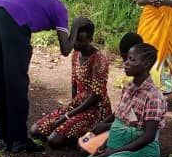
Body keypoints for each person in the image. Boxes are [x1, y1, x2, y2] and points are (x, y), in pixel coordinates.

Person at [0, 0, 86, 153]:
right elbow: (66, 49)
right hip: (15, 18)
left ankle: (4, 137)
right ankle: (18, 140)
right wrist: (75, 26)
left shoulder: (46, 1)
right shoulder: (61, 10)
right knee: (16, 80)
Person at [69, 43, 167, 157]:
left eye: (132, 60)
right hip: (115, 144)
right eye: (127, 58)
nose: (126, 63)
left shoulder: (154, 97)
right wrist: (104, 128)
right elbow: (121, 113)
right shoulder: (129, 87)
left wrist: (113, 152)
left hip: (138, 151)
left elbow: (148, 136)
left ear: (146, 64)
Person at [30, 21, 112, 149]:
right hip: (78, 105)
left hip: (95, 110)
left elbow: (96, 96)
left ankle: (83, 137)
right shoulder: (76, 54)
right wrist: (70, 109)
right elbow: (74, 83)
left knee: (54, 141)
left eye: (80, 41)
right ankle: (73, 134)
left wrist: (68, 116)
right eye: (74, 39)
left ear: (90, 39)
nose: (75, 44)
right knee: (36, 130)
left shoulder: (99, 60)